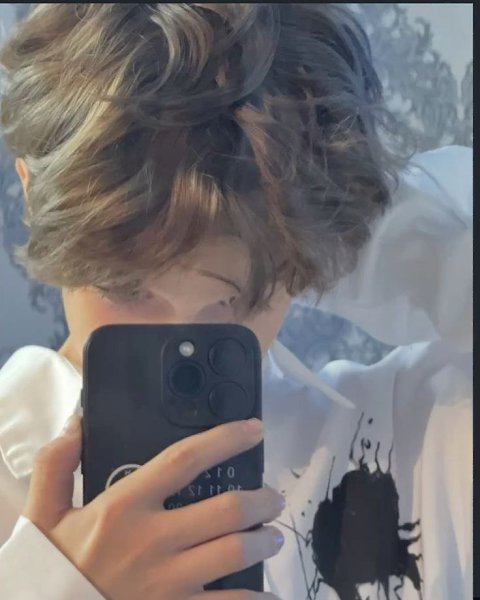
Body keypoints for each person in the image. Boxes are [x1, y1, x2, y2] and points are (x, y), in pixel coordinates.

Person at [0, 4, 472, 600]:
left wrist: (331, 216)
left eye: (237, 299)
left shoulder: (417, 430)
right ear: (33, 195)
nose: (180, 331)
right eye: (126, 286)